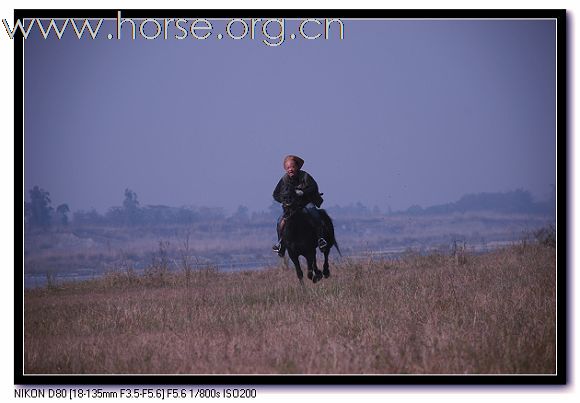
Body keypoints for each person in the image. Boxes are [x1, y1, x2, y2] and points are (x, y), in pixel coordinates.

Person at [272, 155, 327, 257]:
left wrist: (303, 192)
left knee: (314, 214)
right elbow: (275, 194)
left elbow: (314, 187)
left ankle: (321, 239)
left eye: (292, 167)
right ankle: (280, 243)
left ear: (297, 167)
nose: (290, 170)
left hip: (306, 203)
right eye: (288, 168)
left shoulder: (305, 176)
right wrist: (284, 200)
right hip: (291, 207)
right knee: (280, 221)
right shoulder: (284, 180)